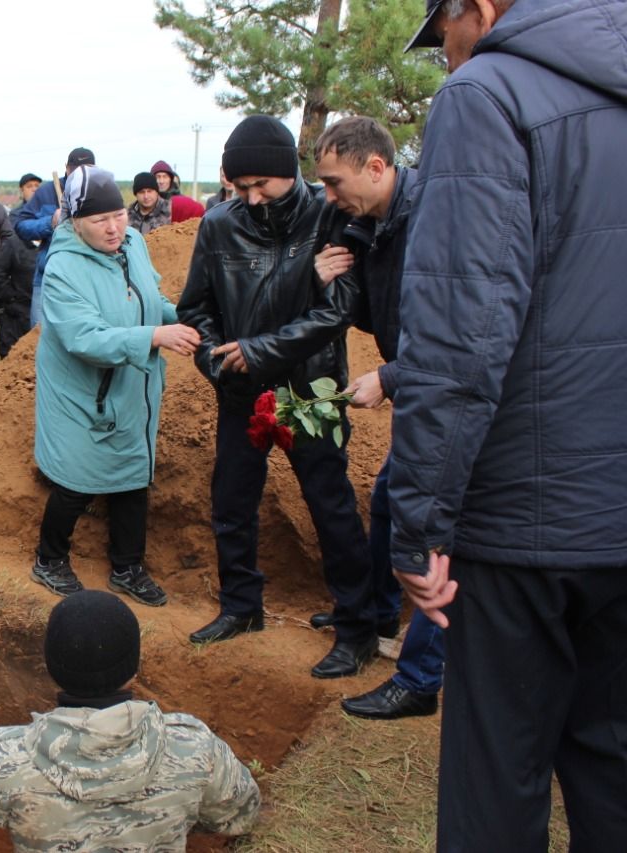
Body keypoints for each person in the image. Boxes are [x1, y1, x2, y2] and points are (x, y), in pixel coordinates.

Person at [393, 1, 627, 848]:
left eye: (444, 40)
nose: (446, 61)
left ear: (479, 9)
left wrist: (420, 522)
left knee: (499, 782)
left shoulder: (489, 95)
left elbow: (462, 331)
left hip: (528, 518)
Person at [177, 115, 377, 679]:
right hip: (240, 388)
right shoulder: (218, 225)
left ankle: (357, 625)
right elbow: (196, 308)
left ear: (289, 172)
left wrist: (258, 348)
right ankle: (241, 607)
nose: (252, 198)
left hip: (310, 386)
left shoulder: (329, 215)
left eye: (262, 184)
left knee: (330, 504)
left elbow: (336, 312)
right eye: (241, 187)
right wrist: (217, 361)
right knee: (232, 502)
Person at [0, 590, 260, 851]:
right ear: (134, 666)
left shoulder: (6, 762)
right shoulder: (194, 750)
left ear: (51, 667)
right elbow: (240, 815)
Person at [307, 116, 443, 720]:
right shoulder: (375, 224)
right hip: (420, 386)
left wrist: (389, 379)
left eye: (335, 184)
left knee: (435, 528)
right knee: (388, 499)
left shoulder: (438, 219)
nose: (330, 197)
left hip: (448, 397)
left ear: (377, 168)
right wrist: (339, 278)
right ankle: (383, 615)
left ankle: (419, 678)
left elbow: (461, 335)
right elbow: (376, 316)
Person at [30, 166, 198, 608]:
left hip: (130, 385)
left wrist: (176, 318)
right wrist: (153, 338)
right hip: (81, 392)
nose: (114, 227)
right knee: (76, 478)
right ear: (74, 222)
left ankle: (127, 568)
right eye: (99, 220)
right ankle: (49, 559)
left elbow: (150, 296)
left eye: (119, 215)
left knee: (132, 476)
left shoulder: (135, 244)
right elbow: (83, 337)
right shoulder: (63, 267)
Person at [14, 147, 95, 328]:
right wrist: (50, 222)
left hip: (89, 279)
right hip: (47, 278)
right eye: (75, 169)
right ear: (66, 168)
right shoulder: (47, 192)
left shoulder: (101, 192)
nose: (80, 174)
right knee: (39, 335)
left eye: (87, 169)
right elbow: (21, 226)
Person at [0, 229, 36, 358]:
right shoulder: (14, 243)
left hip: (46, 308)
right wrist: (11, 298)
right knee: (13, 354)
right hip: (18, 310)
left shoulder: (55, 242)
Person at [127, 171, 171, 235]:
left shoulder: (170, 210)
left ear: (156, 192)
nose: (146, 196)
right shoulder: (127, 214)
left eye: (150, 191)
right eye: (142, 192)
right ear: (136, 194)